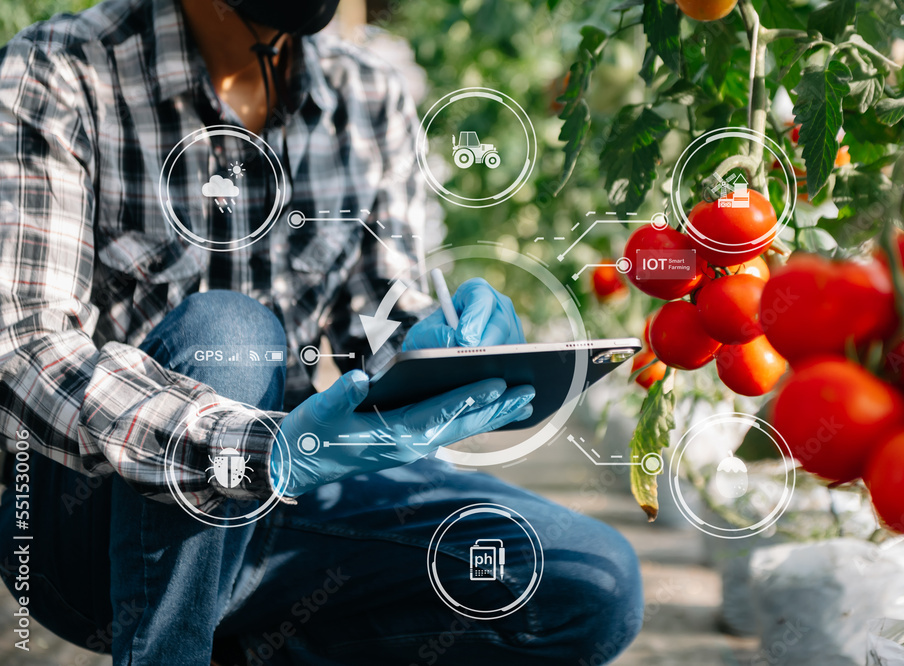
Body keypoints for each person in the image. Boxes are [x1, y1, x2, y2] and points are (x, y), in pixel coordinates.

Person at [0, 0, 644, 663]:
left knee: (586, 584)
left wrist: (438, 339)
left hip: (284, 502)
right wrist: (252, 446)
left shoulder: (366, 94)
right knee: (232, 334)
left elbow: (378, 304)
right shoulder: (62, 73)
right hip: (97, 529)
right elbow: (22, 346)